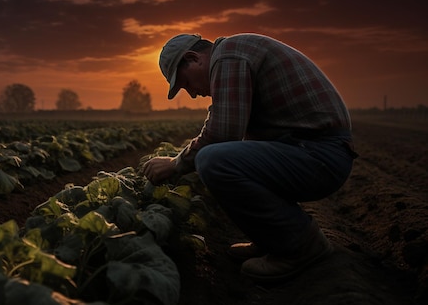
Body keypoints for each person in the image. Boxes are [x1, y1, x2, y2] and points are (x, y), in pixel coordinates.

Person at [142, 33, 357, 283]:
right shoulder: (233, 56)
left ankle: (301, 246)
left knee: (213, 160)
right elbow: (227, 126)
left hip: (319, 155)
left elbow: (222, 133)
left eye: (186, 83)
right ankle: (273, 240)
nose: (192, 94)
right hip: (310, 150)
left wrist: (176, 164)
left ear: (193, 59)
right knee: (227, 158)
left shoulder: (228, 56)